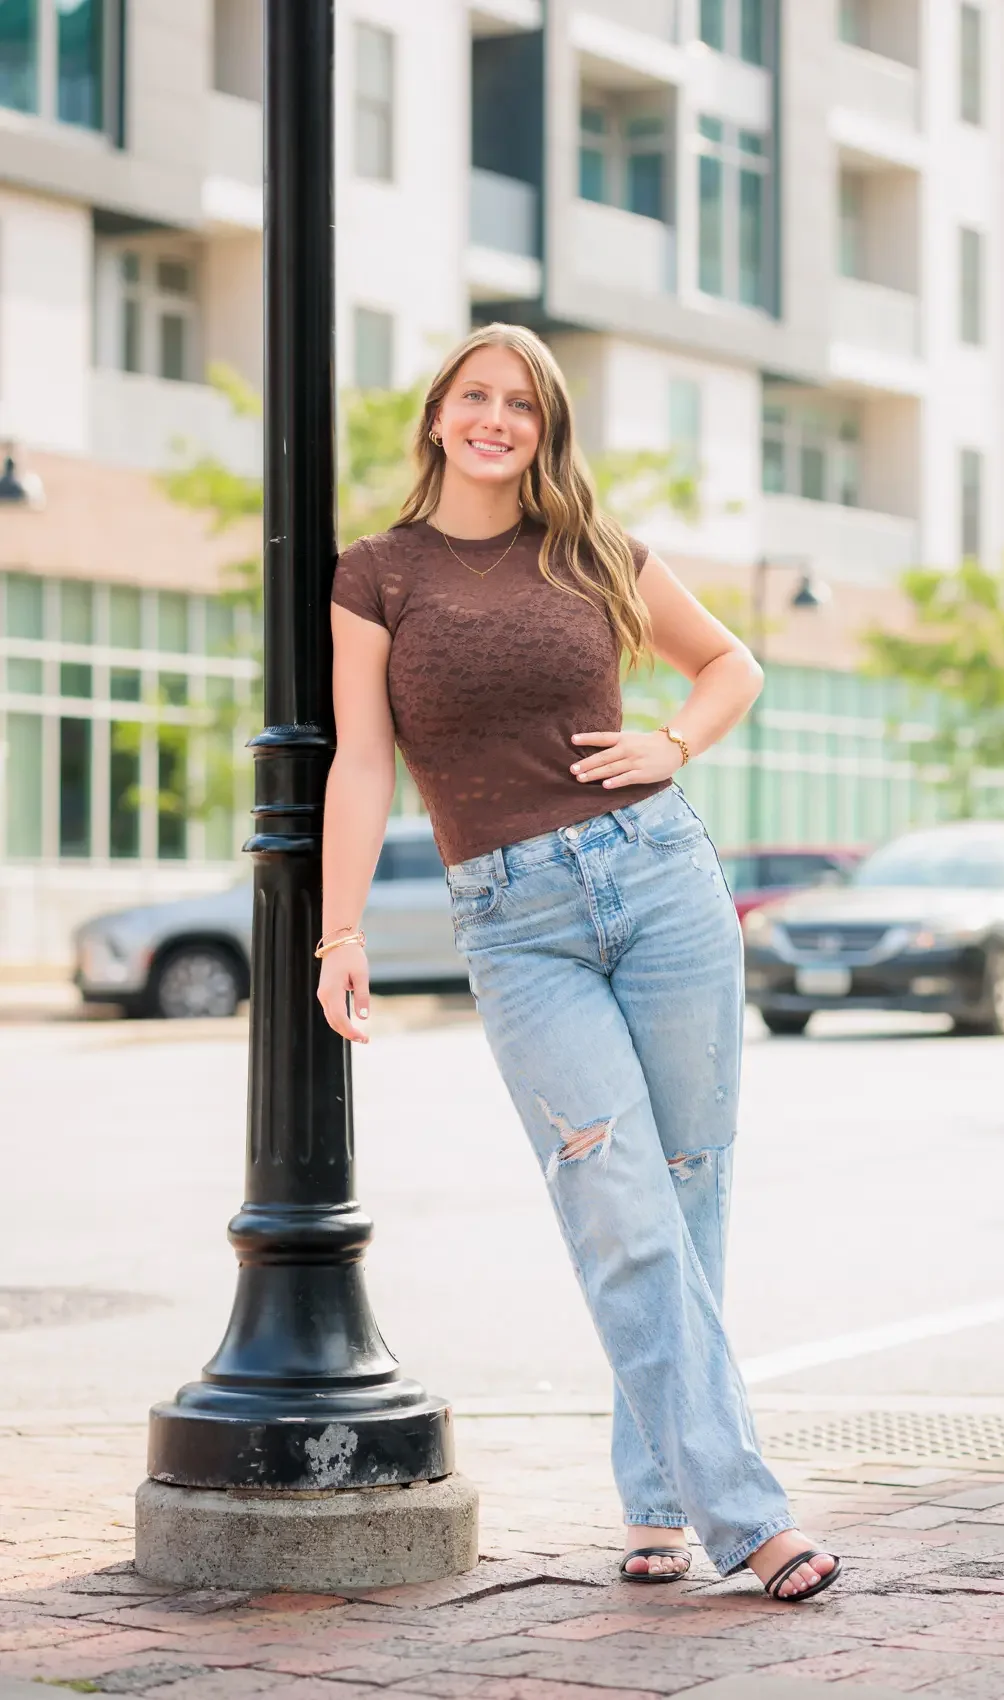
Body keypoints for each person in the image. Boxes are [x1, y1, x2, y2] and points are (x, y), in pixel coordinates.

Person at [318, 323, 840, 1598]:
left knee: (683, 1190)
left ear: (545, 431)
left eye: (524, 405)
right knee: (618, 1205)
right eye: (476, 396)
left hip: (659, 876)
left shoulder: (592, 552)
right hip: (513, 920)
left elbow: (732, 662)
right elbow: (364, 760)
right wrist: (338, 932)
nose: (496, 419)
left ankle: (660, 1496)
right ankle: (747, 1516)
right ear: (438, 413)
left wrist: (673, 739)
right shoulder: (376, 574)